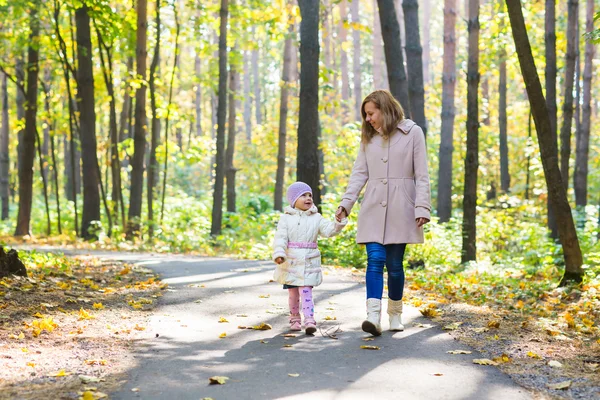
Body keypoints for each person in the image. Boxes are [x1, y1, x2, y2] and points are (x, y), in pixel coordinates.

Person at [335, 89, 431, 336]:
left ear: (384, 109)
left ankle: (395, 313)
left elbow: (422, 175)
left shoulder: (413, 133)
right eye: (365, 115)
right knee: (375, 261)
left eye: (370, 113)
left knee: (395, 265)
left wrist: (422, 206)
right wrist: (346, 204)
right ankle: (373, 317)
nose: (367, 119)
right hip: (373, 207)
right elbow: (359, 174)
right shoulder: (368, 139)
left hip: (402, 208)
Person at [273, 182, 347, 334]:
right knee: (293, 293)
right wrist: (279, 254)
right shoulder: (286, 219)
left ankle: (309, 319)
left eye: (310, 195)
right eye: (303, 195)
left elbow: (329, 230)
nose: (308, 198)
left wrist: (338, 222)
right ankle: (294, 317)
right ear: (293, 200)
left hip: (308, 261)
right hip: (291, 261)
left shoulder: (317, 218)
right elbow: (280, 238)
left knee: (306, 291)